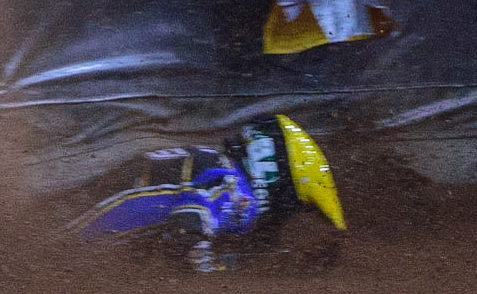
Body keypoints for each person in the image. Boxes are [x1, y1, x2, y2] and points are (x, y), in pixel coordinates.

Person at [70, 114, 345, 273]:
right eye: (299, 207)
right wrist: (208, 265)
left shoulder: (215, 160)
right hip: (86, 239)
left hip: (92, 208)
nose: (290, 217)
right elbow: (188, 224)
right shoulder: (238, 191)